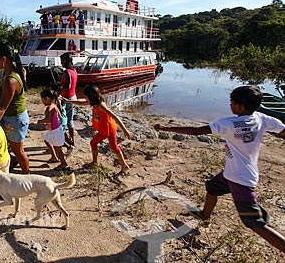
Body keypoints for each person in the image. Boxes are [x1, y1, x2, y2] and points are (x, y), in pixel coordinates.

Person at [154, 86, 285, 253]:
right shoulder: (261, 118)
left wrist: (166, 128)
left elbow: (197, 131)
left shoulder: (228, 123)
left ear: (240, 105)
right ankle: (204, 216)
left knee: (254, 223)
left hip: (240, 180)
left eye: (232, 102)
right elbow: (283, 130)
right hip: (233, 174)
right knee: (212, 187)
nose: (230, 105)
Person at [63, 84, 132, 174]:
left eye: (86, 96)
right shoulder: (94, 102)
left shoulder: (100, 105)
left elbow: (115, 116)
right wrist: (68, 101)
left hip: (106, 128)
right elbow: (81, 103)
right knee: (114, 146)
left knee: (93, 142)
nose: (85, 98)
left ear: (91, 96)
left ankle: (95, 163)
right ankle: (124, 165)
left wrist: (125, 130)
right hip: (110, 127)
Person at [0, 42, 30, 174]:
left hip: (15, 119)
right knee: (9, 147)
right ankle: (13, 163)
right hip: (10, 117)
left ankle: (27, 176)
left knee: (18, 151)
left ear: (3, 59)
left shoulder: (10, 80)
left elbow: (2, 107)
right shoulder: (7, 75)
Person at [37, 88, 69, 171]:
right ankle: (54, 157)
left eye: (42, 100)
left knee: (58, 148)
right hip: (55, 129)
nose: (42, 102)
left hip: (55, 131)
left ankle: (63, 164)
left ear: (47, 98)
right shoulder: (55, 104)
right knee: (47, 140)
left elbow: (48, 119)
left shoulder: (50, 107)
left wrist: (40, 121)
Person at [60, 52, 77, 153]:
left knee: (62, 121)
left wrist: (59, 87)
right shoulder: (74, 70)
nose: (61, 62)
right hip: (73, 96)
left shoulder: (67, 72)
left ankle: (62, 142)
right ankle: (72, 141)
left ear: (66, 61)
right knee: (70, 121)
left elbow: (68, 86)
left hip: (66, 98)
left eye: (62, 60)